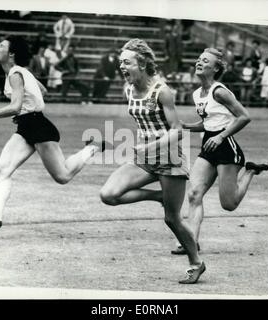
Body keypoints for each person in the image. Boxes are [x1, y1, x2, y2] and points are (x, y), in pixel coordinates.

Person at [0, 36, 105, 229]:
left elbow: (15, 107)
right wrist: (31, 97)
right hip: (26, 126)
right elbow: (43, 90)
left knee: (63, 176)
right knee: (2, 170)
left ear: (11, 54)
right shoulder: (21, 72)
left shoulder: (15, 74)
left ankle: (92, 148)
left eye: (2, 46)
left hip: (38, 127)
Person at [99, 39, 205, 284]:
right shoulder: (128, 90)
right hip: (144, 159)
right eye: (120, 63)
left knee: (172, 219)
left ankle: (196, 263)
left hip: (170, 159)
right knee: (108, 195)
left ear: (143, 63)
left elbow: (178, 130)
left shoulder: (161, 90)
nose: (122, 67)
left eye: (127, 62)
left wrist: (150, 145)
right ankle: (158, 196)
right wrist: (144, 149)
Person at [171, 48, 268, 255]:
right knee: (194, 194)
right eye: (198, 59)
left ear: (215, 68)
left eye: (205, 61)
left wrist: (221, 136)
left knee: (229, 204)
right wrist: (185, 126)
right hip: (209, 146)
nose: (199, 62)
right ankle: (190, 242)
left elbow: (244, 116)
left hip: (226, 147)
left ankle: (250, 171)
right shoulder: (197, 94)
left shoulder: (220, 91)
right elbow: (208, 123)